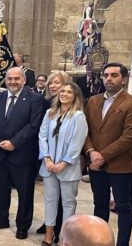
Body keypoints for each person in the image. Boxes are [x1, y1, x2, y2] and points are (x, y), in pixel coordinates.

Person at [83, 63, 132, 246]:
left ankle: (122, 243)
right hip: (95, 164)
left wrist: (102, 156)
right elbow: (84, 130)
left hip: (121, 166)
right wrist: (91, 152)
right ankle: (100, 241)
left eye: (114, 75)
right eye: (106, 75)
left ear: (124, 80)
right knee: (99, 205)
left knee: (123, 207)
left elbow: (129, 137)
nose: (108, 78)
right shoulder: (93, 101)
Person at [0, 67, 43, 239]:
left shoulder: (34, 99)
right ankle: (0, 219)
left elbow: (33, 125)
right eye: (9, 78)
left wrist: (14, 143)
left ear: (24, 80)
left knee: (25, 193)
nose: (13, 82)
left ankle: (23, 226)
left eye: (17, 78)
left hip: (22, 154)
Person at [38, 82, 89, 246]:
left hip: (68, 167)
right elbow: (42, 136)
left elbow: (77, 142)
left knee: (68, 203)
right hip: (49, 165)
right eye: (62, 91)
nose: (64, 94)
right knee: (50, 201)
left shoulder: (78, 116)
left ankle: (63, 238)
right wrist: (47, 158)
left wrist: (64, 163)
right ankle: (49, 235)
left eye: (69, 92)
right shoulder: (50, 113)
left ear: (75, 96)